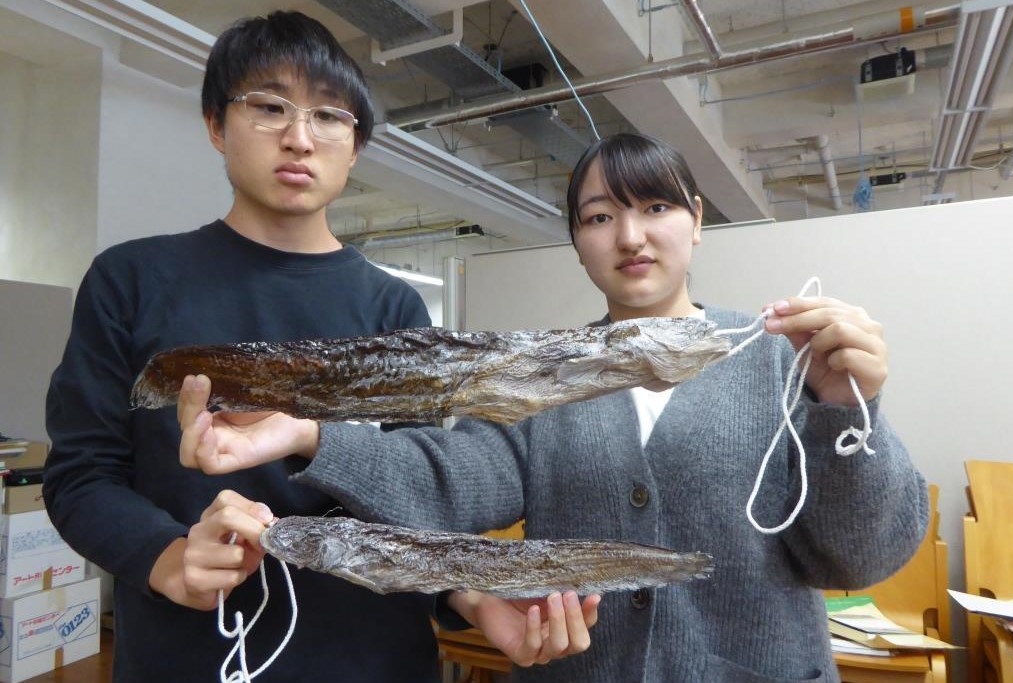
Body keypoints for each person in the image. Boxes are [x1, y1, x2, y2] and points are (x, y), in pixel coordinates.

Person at [178, 132, 930, 682]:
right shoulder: (542, 374)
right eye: (599, 217)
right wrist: (310, 432)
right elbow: (448, 477)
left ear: (696, 220)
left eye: (656, 206)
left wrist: (849, 410)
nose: (629, 235)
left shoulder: (782, 355)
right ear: (576, 241)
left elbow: (860, 557)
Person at [43, 11, 597, 683]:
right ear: (216, 124)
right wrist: (163, 555)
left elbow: (411, 501)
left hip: (373, 660)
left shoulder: (394, 310)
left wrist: (472, 594)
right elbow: (80, 475)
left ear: (355, 144)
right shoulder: (132, 282)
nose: (299, 138)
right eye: (270, 107)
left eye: (329, 116)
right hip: (189, 657)